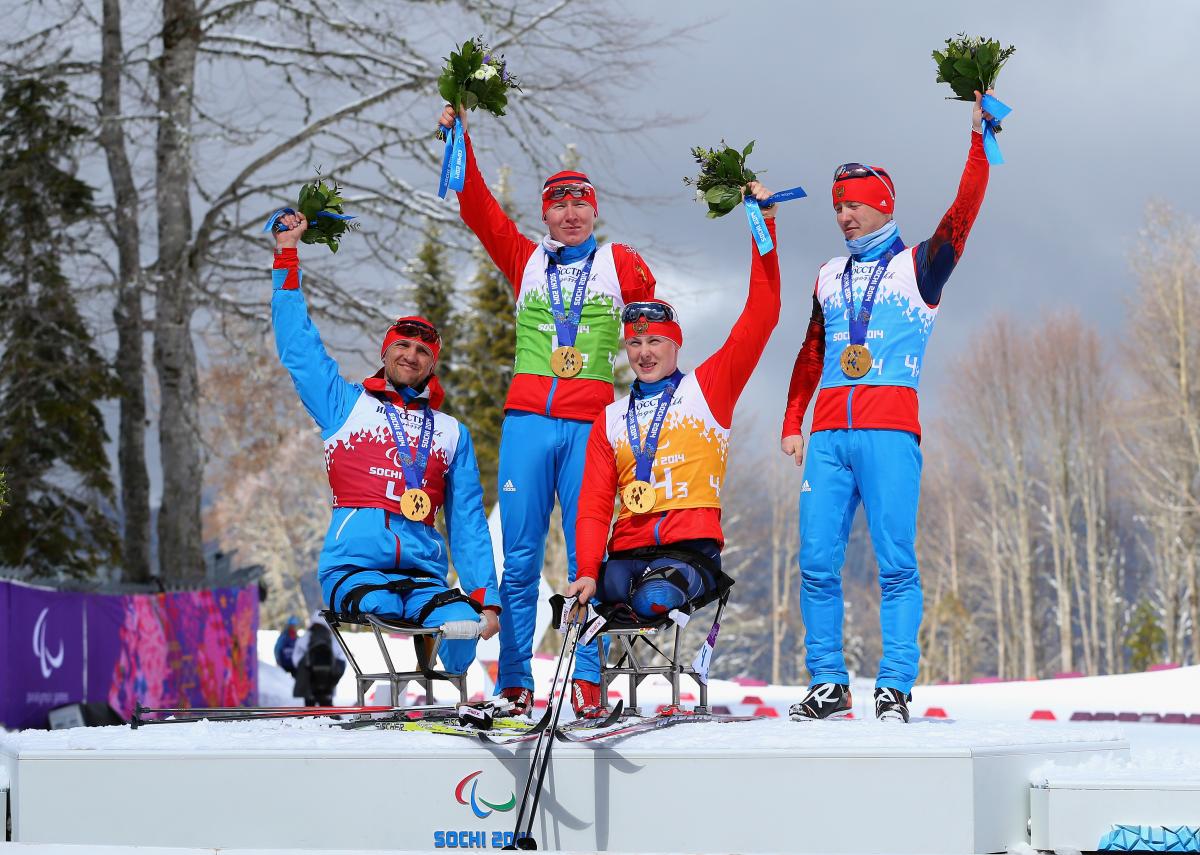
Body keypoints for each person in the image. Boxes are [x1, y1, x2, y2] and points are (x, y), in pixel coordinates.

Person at [781, 91, 996, 723]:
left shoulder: (919, 266)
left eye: (852, 204)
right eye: (837, 207)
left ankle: (895, 684)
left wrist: (978, 141)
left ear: (882, 204)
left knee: (895, 560)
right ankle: (828, 682)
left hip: (890, 430)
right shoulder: (826, 274)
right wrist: (794, 420)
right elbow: (811, 349)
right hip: (829, 436)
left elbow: (964, 212)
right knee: (816, 562)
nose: (843, 216)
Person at [436, 105, 656, 715]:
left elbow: (654, 333)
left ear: (594, 210)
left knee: (588, 556)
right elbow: (476, 206)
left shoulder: (620, 264)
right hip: (529, 423)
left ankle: (587, 684)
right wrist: (461, 139)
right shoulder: (525, 260)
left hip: (591, 423)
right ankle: (514, 683)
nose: (570, 213)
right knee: (522, 556)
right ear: (546, 216)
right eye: (559, 205)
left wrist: (656, 402)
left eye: (580, 203)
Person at [565, 184, 782, 717]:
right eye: (634, 343)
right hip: (629, 551)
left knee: (651, 602)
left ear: (676, 343)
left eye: (655, 342)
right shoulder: (611, 419)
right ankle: (588, 694)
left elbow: (763, 313)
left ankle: (673, 693)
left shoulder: (707, 391)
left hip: (690, 553)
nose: (643, 352)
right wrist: (588, 570)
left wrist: (764, 226)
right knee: (592, 595)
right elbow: (593, 505)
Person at [270, 211, 499, 679]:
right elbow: (299, 348)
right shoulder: (344, 407)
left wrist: (484, 598)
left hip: (421, 577)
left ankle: (443, 690)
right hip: (354, 568)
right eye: (403, 345)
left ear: (431, 364)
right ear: (385, 351)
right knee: (380, 603)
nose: (411, 355)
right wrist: (286, 256)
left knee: (462, 626)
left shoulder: (451, 432)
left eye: (422, 352)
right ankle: (397, 690)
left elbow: (469, 522)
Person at [291, 611, 347, 706]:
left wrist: (303, 673)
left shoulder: (305, 638)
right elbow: (342, 658)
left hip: (309, 682)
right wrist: (334, 679)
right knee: (326, 711)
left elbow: (296, 659)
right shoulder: (332, 638)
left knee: (309, 711)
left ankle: (309, 718)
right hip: (327, 683)